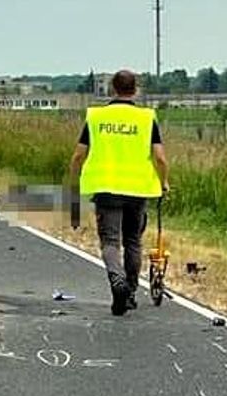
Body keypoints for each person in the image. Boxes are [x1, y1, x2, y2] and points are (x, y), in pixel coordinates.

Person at [69, 68, 170, 316]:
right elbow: (160, 158)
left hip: (106, 189)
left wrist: (74, 180)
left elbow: (79, 155)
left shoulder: (96, 118)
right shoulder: (146, 119)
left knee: (110, 241)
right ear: (135, 89)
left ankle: (117, 279)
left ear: (113, 89)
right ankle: (131, 292)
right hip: (137, 189)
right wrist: (163, 182)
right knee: (133, 240)